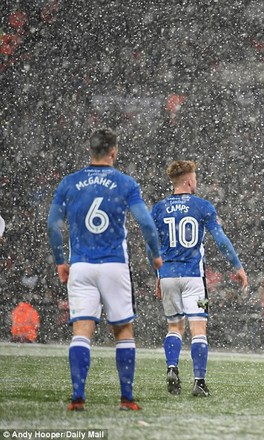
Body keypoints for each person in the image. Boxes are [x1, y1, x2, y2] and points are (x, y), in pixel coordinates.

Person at [47, 128, 163, 411]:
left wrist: (61, 261)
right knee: (123, 330)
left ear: (91, 150)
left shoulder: (70, 183)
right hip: (113, 264)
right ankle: (126, 398)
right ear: (114, 152)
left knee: (81, 331)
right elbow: (146, 224)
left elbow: (52, 224)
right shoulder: (125, 183)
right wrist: (156, 255)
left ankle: (77, 398)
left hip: (81, 265)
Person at [150, 160, 248, 397]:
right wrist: (237, 266)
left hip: (168, 274)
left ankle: (172, 367)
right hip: (194, 275)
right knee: (198, 328)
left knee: (174, 326)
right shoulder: (203, 206)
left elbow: (151, 245)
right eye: (195, 178)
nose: (196, 182)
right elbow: (221, 240)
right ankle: (199, 381)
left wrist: (157, 274)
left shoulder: (159, 208)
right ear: (188, 181)